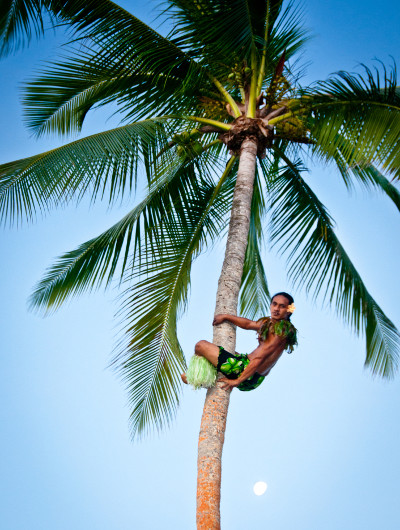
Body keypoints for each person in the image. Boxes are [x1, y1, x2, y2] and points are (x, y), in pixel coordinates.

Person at [181, 292, 297, 391]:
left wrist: (237, 381)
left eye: (282, 306)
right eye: (274, 304)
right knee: (187, 374)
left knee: (201, 346)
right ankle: (200, 377)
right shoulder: (271, 324)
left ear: (289, 310)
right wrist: (227, 317)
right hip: (252, 375)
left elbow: (259, 359)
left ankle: (202, 379)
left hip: (245, 373)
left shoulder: (281, 330)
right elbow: (248, 324)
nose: (276, 309)